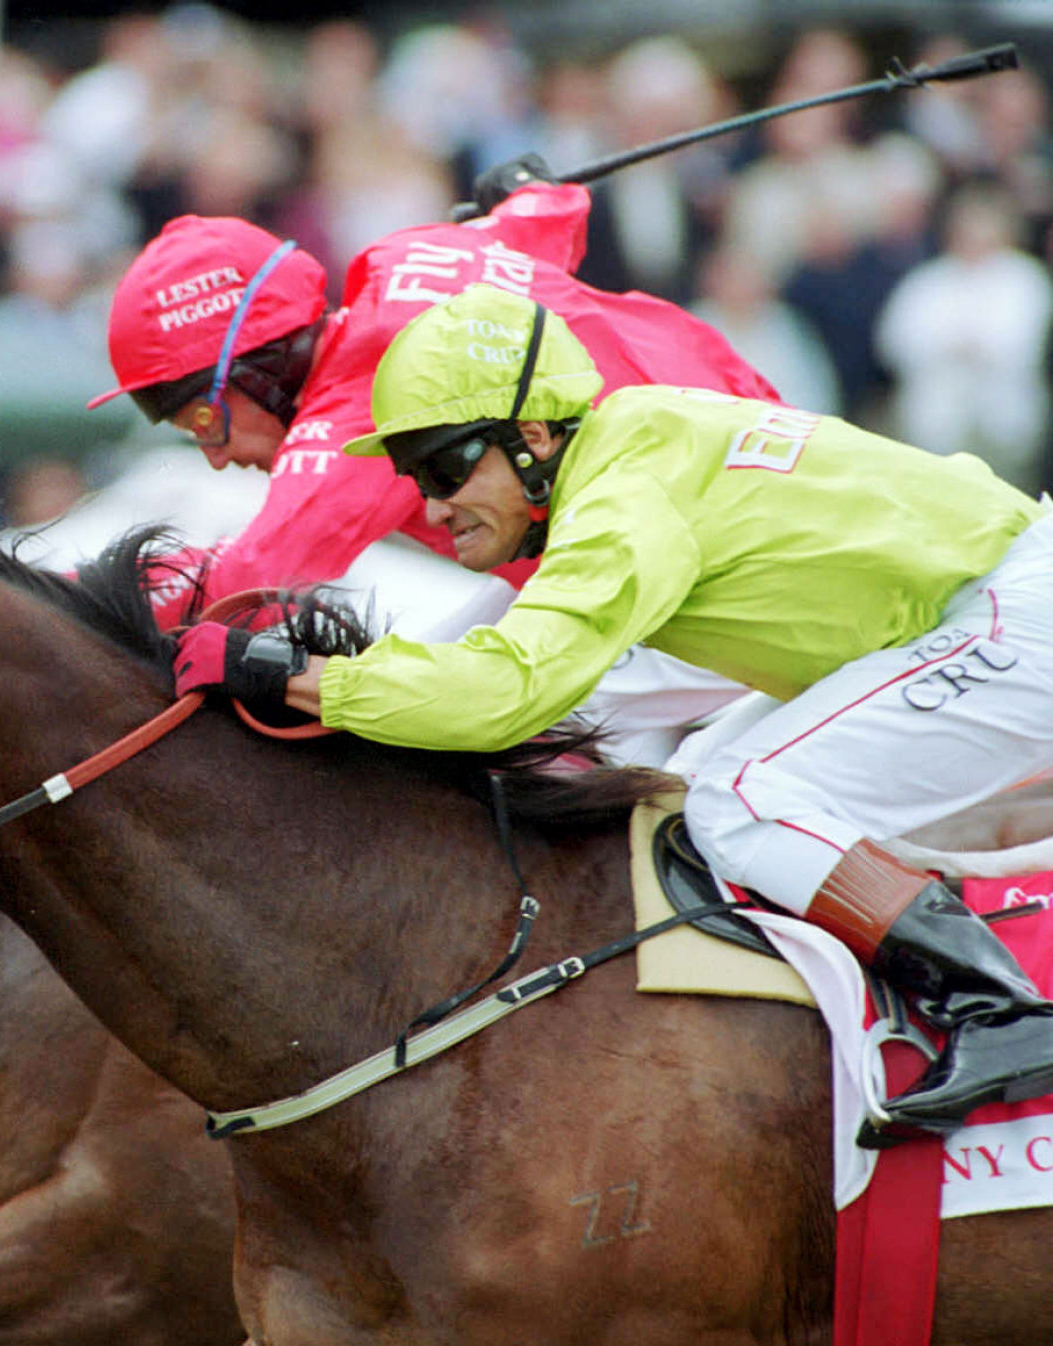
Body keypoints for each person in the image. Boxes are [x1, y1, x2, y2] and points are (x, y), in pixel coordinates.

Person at [175, 282, 1053, 1146]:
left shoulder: (622, 497)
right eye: (415, 478)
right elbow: (547, 685)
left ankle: (1001, 1008)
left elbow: (505, 696)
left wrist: (293, 679)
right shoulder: (625, 450)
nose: (435, 508)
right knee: (698, 785)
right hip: (971, 606)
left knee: (738, 801)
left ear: (530, 436)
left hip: (1007, 616)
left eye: (446, 467)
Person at [86, 162, 782, 761]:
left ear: (258, 364)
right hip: (747, 449)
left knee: (413, 725)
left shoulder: (348, 425)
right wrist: (525, 187)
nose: (213, 457)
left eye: (205, 421)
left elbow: (232, 595)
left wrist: (56, 600)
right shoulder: (410, 253)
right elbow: (548, 212)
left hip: (707, 556)